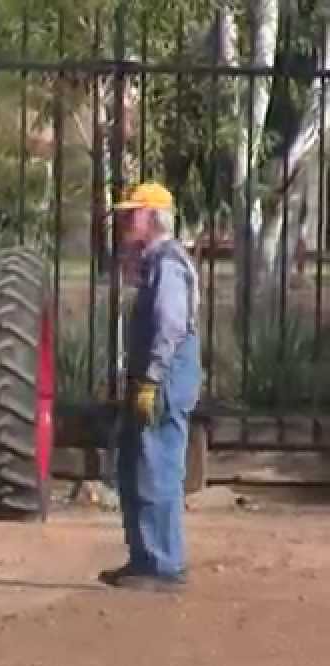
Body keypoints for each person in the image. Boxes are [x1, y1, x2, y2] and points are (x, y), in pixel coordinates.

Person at [100, 182, 201, 593]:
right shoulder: (152, 262)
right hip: (154, 378)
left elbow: (171, 324)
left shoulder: (168, 263)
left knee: (156, 464)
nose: (125, 221)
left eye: (132, 213)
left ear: (153, 217)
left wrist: (153, 377)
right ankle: (145, 558)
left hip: (163, 379)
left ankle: (162, 565)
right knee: (139, 463)